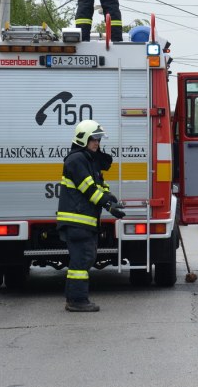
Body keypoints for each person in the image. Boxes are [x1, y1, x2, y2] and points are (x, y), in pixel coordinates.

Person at [57, 120, 125, 312]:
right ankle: (78, 301)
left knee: (83, 259)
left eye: (98, 139)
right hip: (77, 221)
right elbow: (88, 189)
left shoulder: (88, 160)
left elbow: (99, 186)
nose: (97, 142)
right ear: (83, 139)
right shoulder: (76, 160)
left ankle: (73, 298)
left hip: (83, 221)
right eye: (94, 139)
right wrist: (108, 205)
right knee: (82, 260)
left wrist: (111, 198)